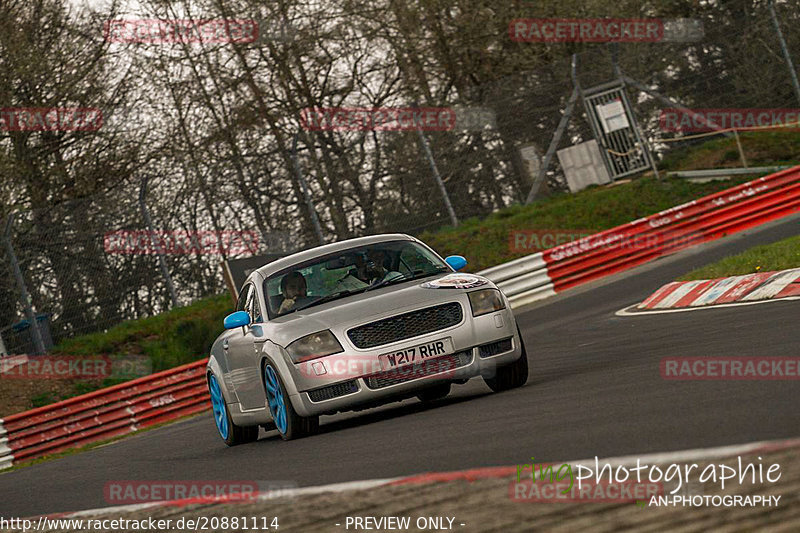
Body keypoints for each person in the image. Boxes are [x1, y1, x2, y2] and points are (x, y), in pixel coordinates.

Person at [336, 248, 402, 291]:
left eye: (379, 257)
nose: (377, 261)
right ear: (358, 262)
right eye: (369, 259)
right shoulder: (345, 285)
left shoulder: (395, 277)